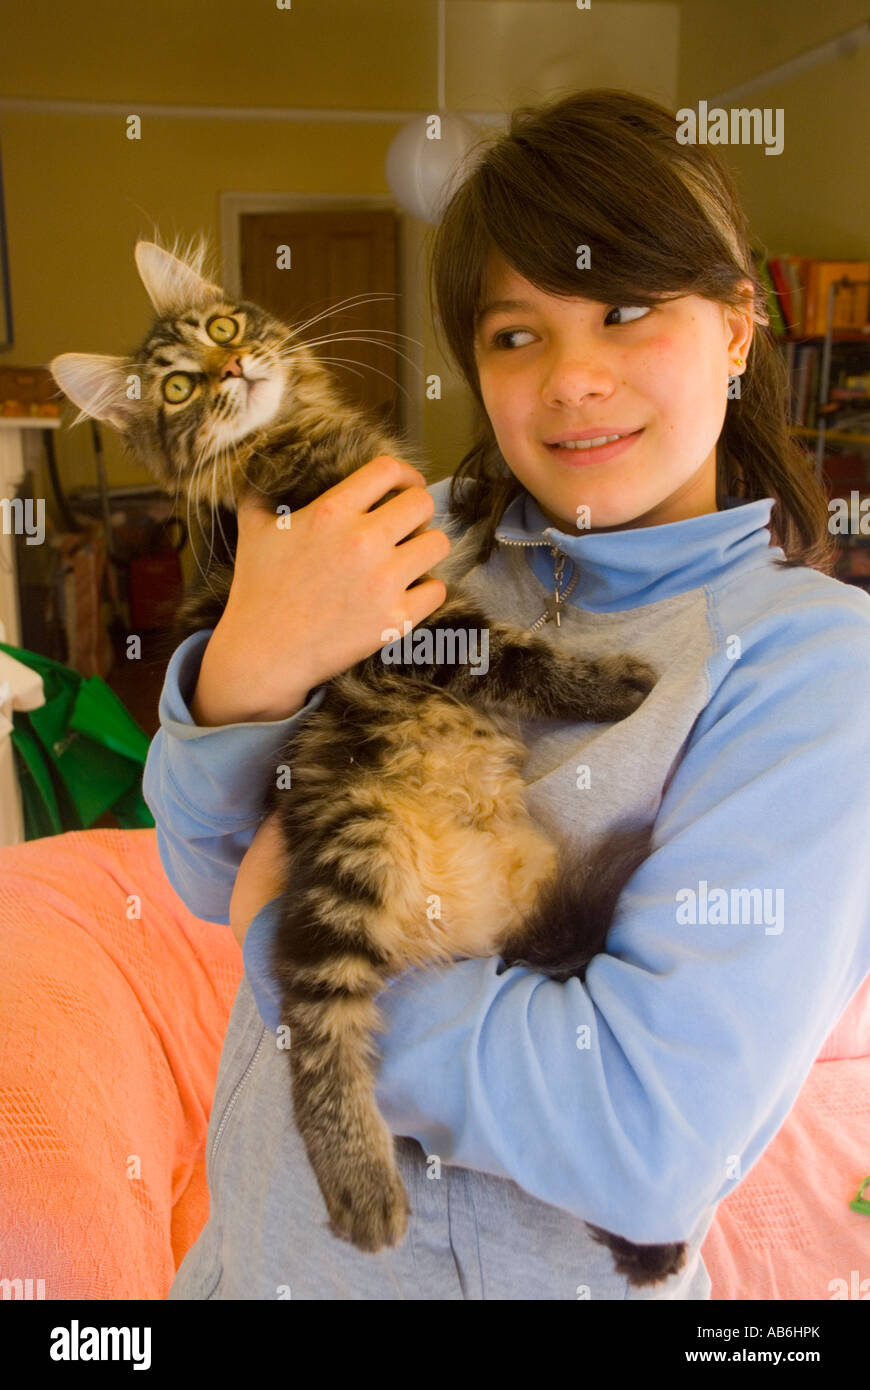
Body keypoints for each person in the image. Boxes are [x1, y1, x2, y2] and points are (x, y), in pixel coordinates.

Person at [143, 88, 870, 1300]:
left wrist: (294, 940)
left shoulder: (817, 672)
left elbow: (644, 1145)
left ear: (740, 329)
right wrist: (247, 670)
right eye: (515, 335)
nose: (573, 380)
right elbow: (198, 868)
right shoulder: (410, 538)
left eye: (627, 312)